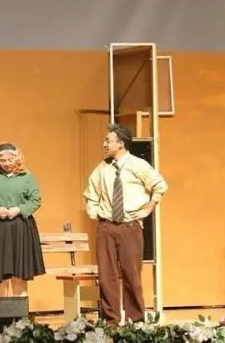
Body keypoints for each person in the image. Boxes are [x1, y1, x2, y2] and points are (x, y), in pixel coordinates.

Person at [82, 123, 168, 326]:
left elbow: (160, 186)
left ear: (121, 143)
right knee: (106, 276)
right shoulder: (102, 167)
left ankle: (135, 322)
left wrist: (148, 208)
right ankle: (111, 322)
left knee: (132, 275)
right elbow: (91, 193)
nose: (104, 144)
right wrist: (95, 213)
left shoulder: (139, 165)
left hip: (130, 226)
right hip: (107, 227)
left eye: (108, 140)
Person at [0, 142, 45, 297]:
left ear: (17, 158)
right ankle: (1, 311)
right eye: (2, 160)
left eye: (10, 160)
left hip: (20, 229)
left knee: (19, 273)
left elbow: (36, 199)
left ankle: (20, 311)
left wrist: (19, 209)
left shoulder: (26, 177)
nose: (6, 164)